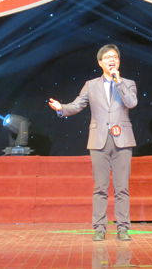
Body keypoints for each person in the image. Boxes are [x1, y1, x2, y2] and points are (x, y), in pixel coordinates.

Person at [48, 44, 138, 241]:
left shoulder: (128, 83)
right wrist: (61, 108)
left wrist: (118, 81)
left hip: (123, 140)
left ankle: (123, 228)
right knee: (100, 188)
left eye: (114, 57)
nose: (111, 60)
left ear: (119, 61)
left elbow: (131, 103)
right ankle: (99, 228)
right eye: (107, 57)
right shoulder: (91, 85)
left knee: (122, 188)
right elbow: (77, 105)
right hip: (98, 141)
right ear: (100, 62)